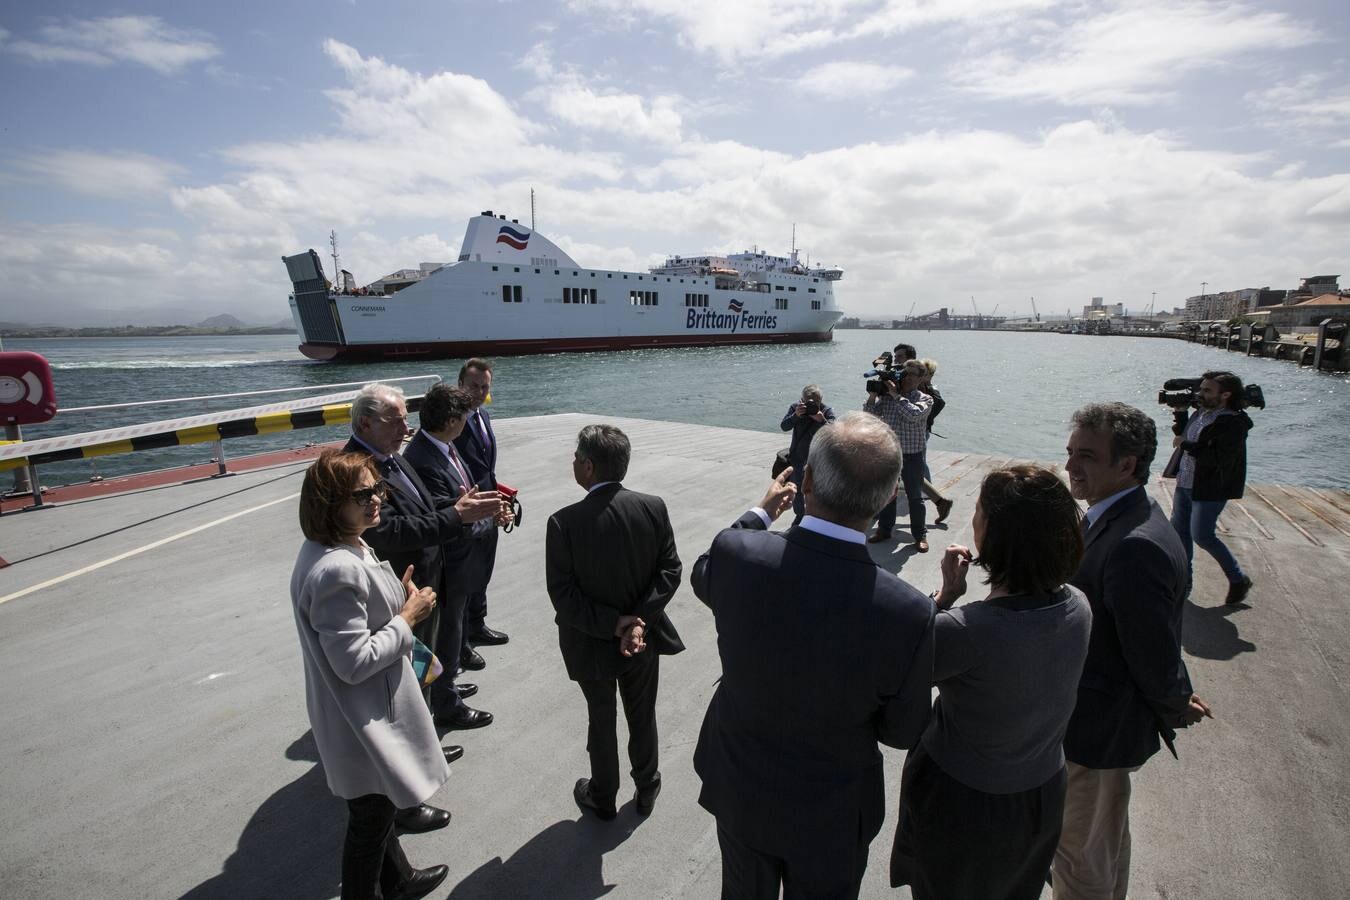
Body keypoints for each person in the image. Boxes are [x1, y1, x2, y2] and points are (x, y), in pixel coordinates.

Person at [693, 412, 936, 899]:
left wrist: (759, 514)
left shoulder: (738, 555)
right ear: (891, 496)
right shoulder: (908, 613)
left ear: (806, 480)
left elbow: (704, 572)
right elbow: (904, 731)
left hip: (740, 787)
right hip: (835, 813)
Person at [890, 465, 1092, 900]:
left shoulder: (967, 631)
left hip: (964, 806)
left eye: (979, 510)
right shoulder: (1079, 606)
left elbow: (898, 665)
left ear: (994, 534)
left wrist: (944, 598)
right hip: (1040, 795)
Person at [1053, 402, 1213, 900]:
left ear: (1127, 464)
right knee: (1104, 845)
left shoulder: (1133, 545)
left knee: (1079, 858)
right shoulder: (1131, 515)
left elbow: (1151, 649)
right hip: (1101, 726)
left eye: (1086, 456)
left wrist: (1174, 703)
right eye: (1070, 452)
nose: (1070, 467)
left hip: (1097, 731)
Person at [290, 449, 450, 900]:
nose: (377, 499)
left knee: (375, 811)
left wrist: (397, 596)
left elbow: (357, 617)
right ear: (329, 502)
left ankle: (398, 881)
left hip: (363, 714)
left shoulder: (341, 545)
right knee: (370, 821)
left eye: (378, 488)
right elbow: (353, 661)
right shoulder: (335, 568)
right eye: (363, 493)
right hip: (366, 718)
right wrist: (408, 618)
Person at [343, 382, 503, 831]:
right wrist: (457, 516)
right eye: (395, 420)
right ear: (364, 424)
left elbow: (422, 507)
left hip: (420, 589)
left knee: (416, 683)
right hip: (394, 599)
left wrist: (458, 506)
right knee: (396, 697)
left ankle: (423, 747)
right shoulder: (360, 469)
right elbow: (387, 532)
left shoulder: (392, 457)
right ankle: (401, 802)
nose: (406, 426)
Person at [545, 424, 684, 820]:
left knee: (600, 718)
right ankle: (647, 786)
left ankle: (603, 795)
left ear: (588, 467)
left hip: (590, 641)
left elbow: (564, 595)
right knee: (642, 713)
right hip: (642, 640)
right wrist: (640, 621)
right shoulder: (652, 507)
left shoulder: (563, 523)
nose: (573, 463)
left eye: (576, 457)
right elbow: (670, 570)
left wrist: (613, 624)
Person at [403, 383, 510, 732]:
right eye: (463, 417)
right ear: (451, 420)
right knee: (444, 637)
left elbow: (464, 497)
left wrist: (489, 508)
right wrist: (484, 519)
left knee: (453, 633)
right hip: (447, 568)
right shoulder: (423, 457)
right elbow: (446, 517)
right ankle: (446, 706)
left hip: (458, 568)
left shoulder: (441, 446)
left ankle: (444, 687)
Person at [1167, 371, 1255, 604]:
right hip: (1185, 483)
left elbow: (1218, 458)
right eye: (1201, 389)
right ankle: (1183, 584)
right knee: (1180, 535)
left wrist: (1186, 445)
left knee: (1202, 536)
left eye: (1207, 390)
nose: (1200, 393)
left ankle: (1238, 579)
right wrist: (1180, 415)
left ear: (1225, 395)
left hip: (1210, 488)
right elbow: (1185, 435)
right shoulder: (1200, 413)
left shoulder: (1234, 422)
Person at [452, 358, 509, 671]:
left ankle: (478, 624)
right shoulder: (454, 422)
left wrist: (500, 499)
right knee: (465, 576)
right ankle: (460, 643)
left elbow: (487, 466)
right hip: (469, 509)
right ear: (460, 384)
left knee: (483, 569)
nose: (478, 391)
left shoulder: (483, 416)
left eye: (484, 386)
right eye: (473, 386)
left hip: (489, 505)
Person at [863, 358, 934, 550]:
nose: (907, 378)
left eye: (912, 374)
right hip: (890, 452)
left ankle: (920, 535)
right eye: (905, 373)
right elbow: (870, 416)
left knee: (915, 497)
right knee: (888, 494)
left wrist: (896, 395)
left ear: (921, 378)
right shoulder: (888, 397)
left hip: (912, 455)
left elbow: (913, 416)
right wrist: (872, 396)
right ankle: (885, 530)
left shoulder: (925, 398)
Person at [779, 384, 835, 525]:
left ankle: (817, 517)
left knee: (818, 491)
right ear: (801, 399)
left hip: (819, 459)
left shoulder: (825, 410)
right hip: (798, 458)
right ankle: (800, 516)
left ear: (820, 400)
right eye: (807, 402)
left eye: (814, 402)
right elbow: (784, 426)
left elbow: (835, 433)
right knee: (797, 490)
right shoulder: (795, 408)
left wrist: (822, 421)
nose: (810, 405)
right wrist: (795, 416)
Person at [916, 357, 955, 524]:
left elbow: (938, 404)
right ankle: (938, 499)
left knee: (916, 465)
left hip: (918, 432)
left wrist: (925, 421)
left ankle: (931, 495)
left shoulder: (928, 391)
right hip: (910, 432)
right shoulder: (920, 388)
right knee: (909, 468)